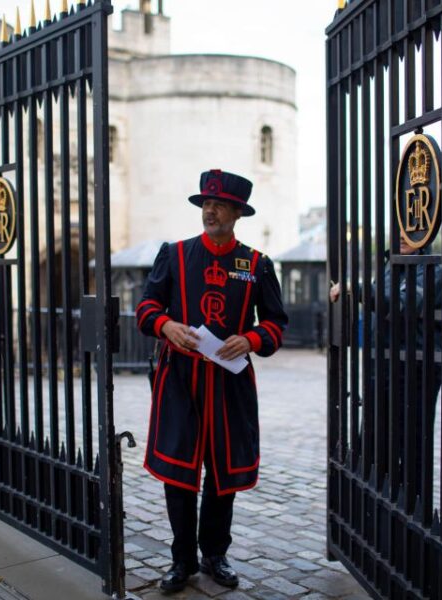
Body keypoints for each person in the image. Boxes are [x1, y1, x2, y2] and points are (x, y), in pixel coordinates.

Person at [135, 169, 288, 594]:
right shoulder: (176, 254)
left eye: (219, 204)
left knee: (223, 476)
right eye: (205, 203)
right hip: (180, 382)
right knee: (179, 475)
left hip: (229, 388)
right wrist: (165, 325)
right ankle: (181, 560)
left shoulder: (257, 265)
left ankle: (215, 553)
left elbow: (276, 324)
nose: (210, 209)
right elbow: (145, 307)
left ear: (237, 212)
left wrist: (252, 338)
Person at [330, 231, 442, 498]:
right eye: (399, 229)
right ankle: (374, 509)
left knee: (409, 447)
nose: (402, 235)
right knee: (373, 441)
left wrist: (355, 288)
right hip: (380, 368)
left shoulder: (432, 267)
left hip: (414, 371)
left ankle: (412, 512)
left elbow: (403, 306)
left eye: (411, 230)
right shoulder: (390, 264)